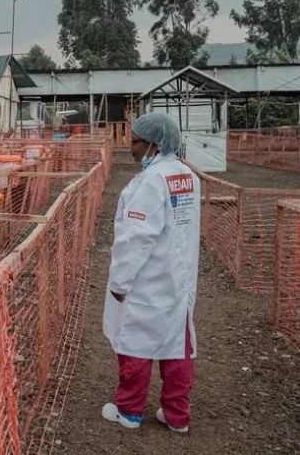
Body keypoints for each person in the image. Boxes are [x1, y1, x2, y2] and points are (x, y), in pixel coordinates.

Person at [101, 112, 200, 434]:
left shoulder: (150, 182)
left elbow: (136, 238)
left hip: (148, 279)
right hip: (179, 278)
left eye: (135, 142)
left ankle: (129, 411)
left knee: (135, 345)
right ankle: (177, 416)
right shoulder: (187, 176)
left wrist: (120, 282)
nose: (130, 149)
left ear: (153, 145)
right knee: (176, 346)